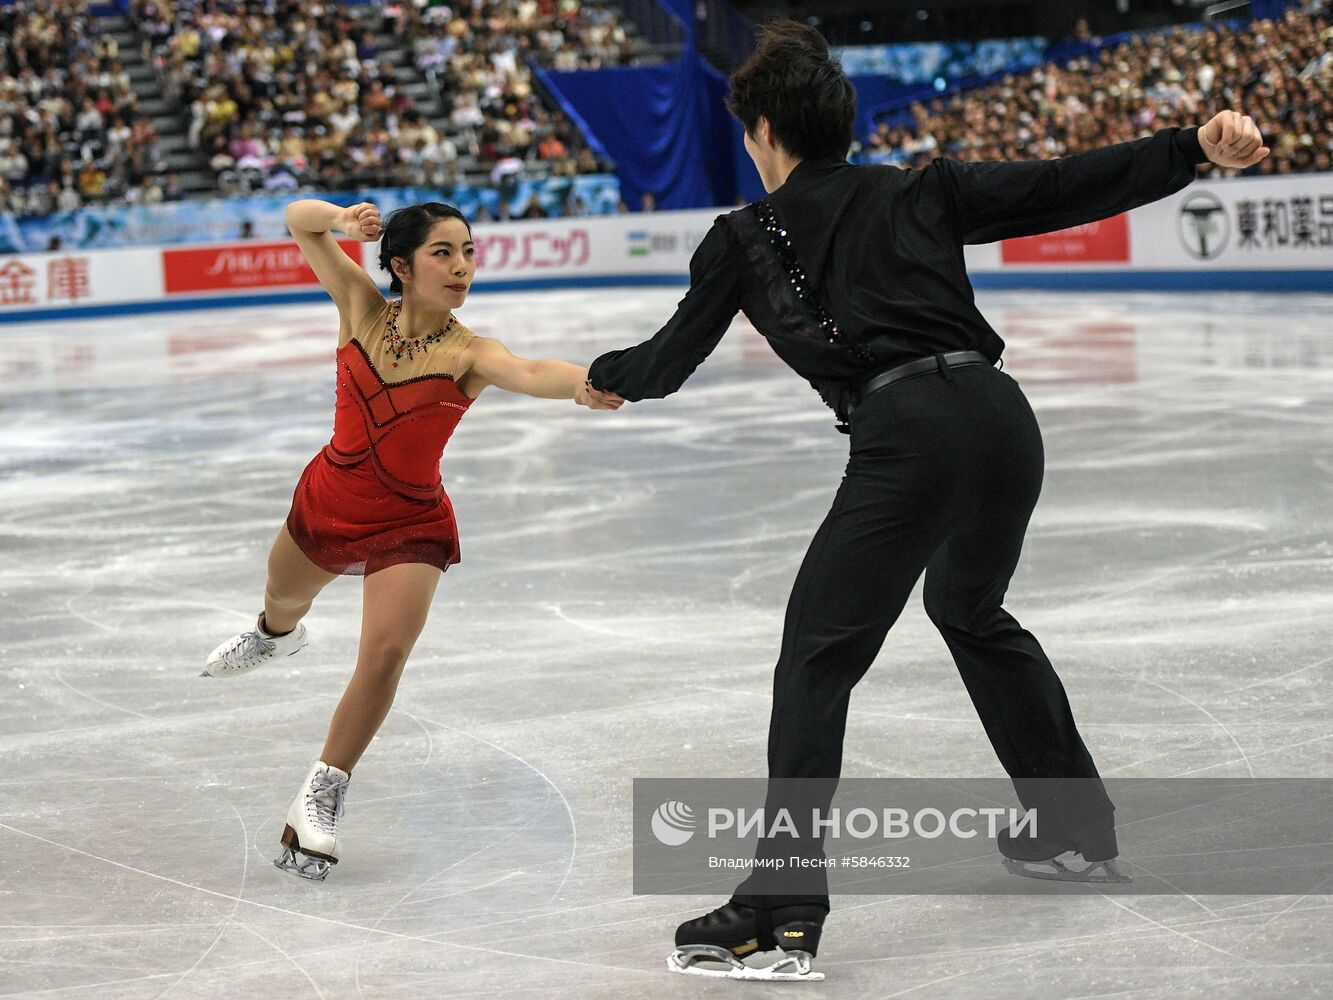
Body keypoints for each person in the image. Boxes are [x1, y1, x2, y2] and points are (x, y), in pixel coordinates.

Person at [576, 20, 1268, 982]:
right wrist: (1188, 147)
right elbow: (1059, 184)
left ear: (764, 131)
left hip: (909, 437)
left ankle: (780, 907)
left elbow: (661, 364)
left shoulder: (742, 237)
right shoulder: (919, 190)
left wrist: (594, 377)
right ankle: (1069, 826)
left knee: (816, 660)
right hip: (999, 420)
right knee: (969, 607)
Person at [203, 199, 598, 881]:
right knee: (281, 598)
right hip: (329, 498)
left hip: (409, 522)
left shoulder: (470, 353)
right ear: (400, 265)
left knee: (384, 654)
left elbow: (533, 373)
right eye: (444, 252)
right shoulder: (359, 307)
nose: (462, 267)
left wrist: (589, 383)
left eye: (468, 251)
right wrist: (342, 219)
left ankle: (321, 793)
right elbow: (300, 220)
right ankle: (275, 633)